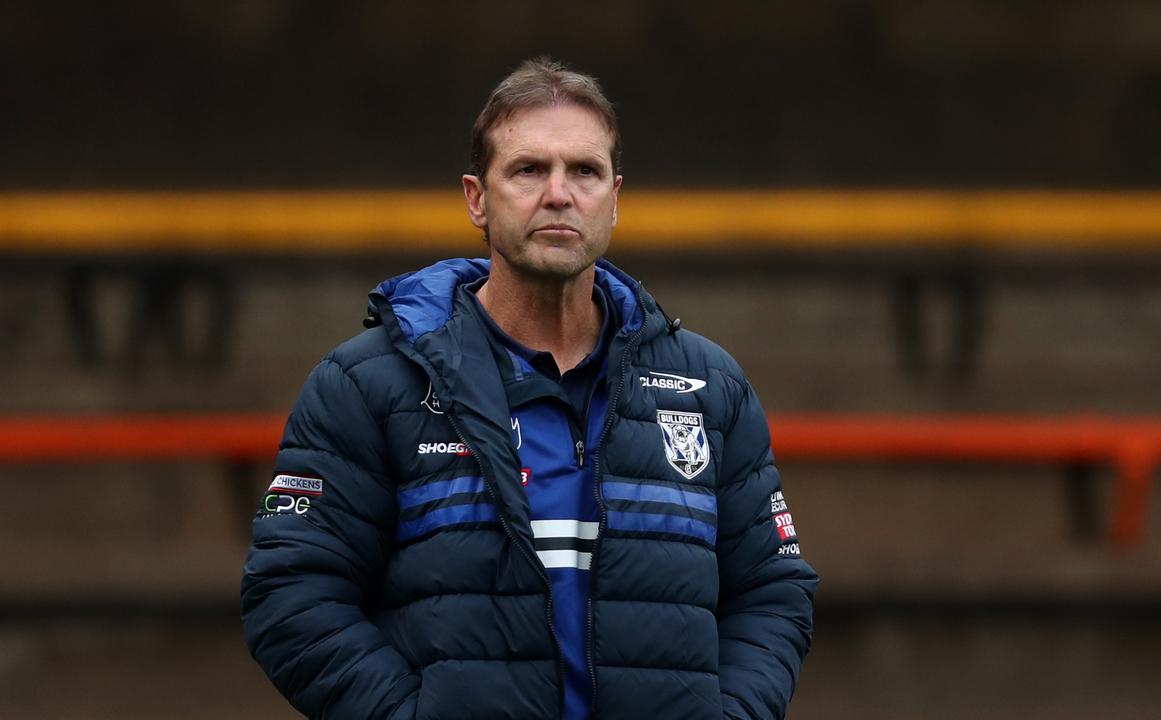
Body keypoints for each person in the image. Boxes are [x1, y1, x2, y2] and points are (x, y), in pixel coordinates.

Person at [241, 56, 817, 720]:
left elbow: (771, 592)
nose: (559, 193)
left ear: (615, 199)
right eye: (528, 170)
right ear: (476, 198)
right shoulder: (369, 385)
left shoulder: (707, 388)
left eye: (584, 171)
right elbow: (292, 592)